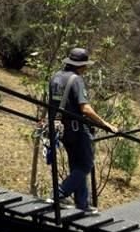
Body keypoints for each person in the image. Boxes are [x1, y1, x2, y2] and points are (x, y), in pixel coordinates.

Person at [47, 48, 116, 213]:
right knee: (85, 165)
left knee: (76, 165)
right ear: (80, 66)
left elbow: (51, 103)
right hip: (77, 129)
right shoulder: (76, 80)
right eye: (85, 65)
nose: (86, 68)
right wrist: (106, 124)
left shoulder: (55, 77)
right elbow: (85, 109)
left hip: (61, 129)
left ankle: (82, 204)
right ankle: (58, 193)